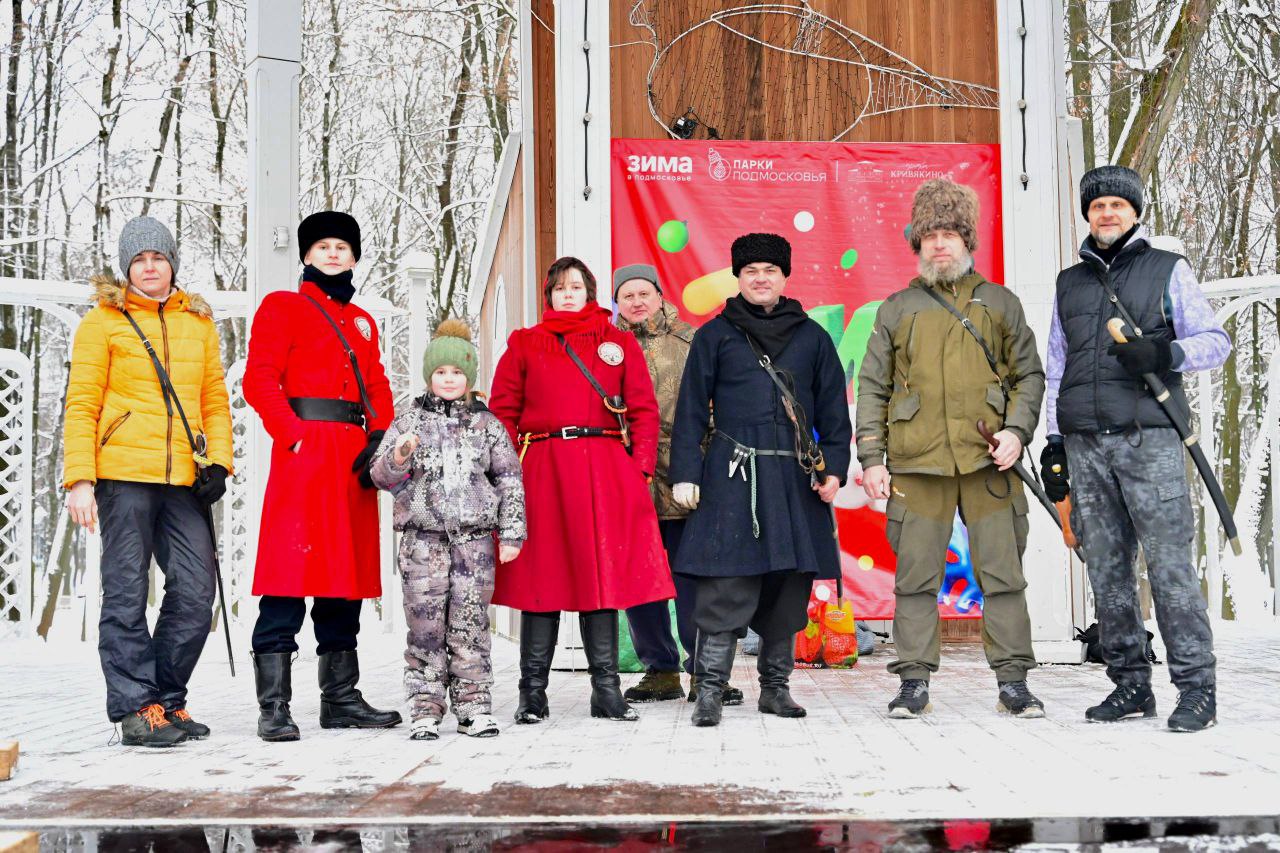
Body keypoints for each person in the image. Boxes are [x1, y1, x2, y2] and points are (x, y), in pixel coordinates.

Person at [1042, 165, 1231, 733]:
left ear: (1135, 212)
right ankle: (1130, 684)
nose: (1107, 213)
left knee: (1170, 568)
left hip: (1149, 439)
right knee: (1106, 572)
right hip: (1085, 443)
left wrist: (1165, 354)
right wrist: (1054, 442)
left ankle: (1196, 689)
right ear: (1087, 214)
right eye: (1097, 205)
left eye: (1117, 205)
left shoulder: (1168, 269)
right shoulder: (1069, 283)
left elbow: (1216, 342)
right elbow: (1057, 367)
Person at [856, 178, 1046, 720]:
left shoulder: (1000, 303)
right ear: (917, 243)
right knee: (915, 579)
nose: (940, 244)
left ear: (967, 240)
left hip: (989, 461)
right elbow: (872, 386)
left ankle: (1014, 682)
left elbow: (1029, 376)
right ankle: (913, 682)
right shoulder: (897, 308)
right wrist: (872, 458)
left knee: (1003, 576)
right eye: (930, 235)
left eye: (950, 234)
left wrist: (1017, 433)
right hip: (917, 466)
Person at [63, 215, 233, 747]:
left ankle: (167, 699)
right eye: (139, 259)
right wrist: (80, 478)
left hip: (183, 479)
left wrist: (219, 464)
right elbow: (82, 402)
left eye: (158, 257)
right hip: (122, 476)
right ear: (126, 267)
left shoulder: (198, 324)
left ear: (172, 263)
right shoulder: (102, 323)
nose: (150, 266)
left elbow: (214, 401)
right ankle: (137, 709)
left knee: (197, 590)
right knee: (127, 591)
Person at [670, 233, 852, 727]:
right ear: (739, 277)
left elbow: (833, 410)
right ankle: (709, 690)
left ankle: (775, 689)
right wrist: (686, 472)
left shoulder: (812, 338)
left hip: (794, 477)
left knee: (787, 585)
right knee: (724, 584)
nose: (761, 278)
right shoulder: (715, 335)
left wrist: (834, 467)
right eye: (751, 271)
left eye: (770, 270)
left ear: (784, 276)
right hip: (733, 477)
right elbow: (691, 409)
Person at [489, 256, 675, 725]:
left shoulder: (618, 343)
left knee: (601, 577)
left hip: (605, 469)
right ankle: (532, 693)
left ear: (590, 293)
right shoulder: (525, 343)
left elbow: (643, 411)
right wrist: (508, 473)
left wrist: (640, 469)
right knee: (542, 579)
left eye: (576, 287)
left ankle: (606, 691)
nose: (568, 294)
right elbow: (502, 412)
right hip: (543, 468)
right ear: (549, 295)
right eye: (559, 288)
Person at [243, 210, 402, 741]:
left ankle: (340, 698)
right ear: (307, 255)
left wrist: (379, 437)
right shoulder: (282, 306)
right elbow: (259, 379)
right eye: (323, 246)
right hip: (305, 456)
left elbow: (377, 385)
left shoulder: (363, 321)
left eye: (342, 247)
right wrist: (293, 435)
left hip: (353, 460)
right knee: (288, 576)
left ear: (354, 257)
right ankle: (274, 706)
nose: (333, 254)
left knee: (343, 579)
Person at [369, 319, 526, 741]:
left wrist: (511, 533)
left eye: (457, 372)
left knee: (470, 627)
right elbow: (380, 476)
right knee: (425, 630)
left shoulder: (488, 426)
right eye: (441, 371)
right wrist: (399, 457)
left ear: (469, 376)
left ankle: (474, 707)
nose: (449, 379)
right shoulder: (409, 422)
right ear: (429, 376)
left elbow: (509, 479)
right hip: (422, 545)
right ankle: (425, 707)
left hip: (474, 546)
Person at [612, 263, 743, 707]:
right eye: (627, 295)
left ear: (659, 294)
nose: (636, 302)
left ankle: (707, 671)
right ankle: (660, 669)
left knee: (694, 578)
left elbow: (718, 402)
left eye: (643, 293)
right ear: (617, 302)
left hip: (686, 471)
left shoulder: (693, 340)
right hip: (629, 476)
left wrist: (709, 465)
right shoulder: (607, 347)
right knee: (640, 576)